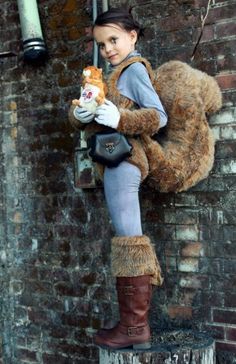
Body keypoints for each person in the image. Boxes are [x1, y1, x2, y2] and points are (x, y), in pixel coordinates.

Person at [68, 7, 168, 350]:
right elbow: (89, 107)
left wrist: (120, 118)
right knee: (127, 237)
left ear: (132, 37)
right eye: (102, 43)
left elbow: (158, 117)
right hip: (111, 162)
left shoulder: (134, 69)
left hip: (124, 161)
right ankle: (131, 325)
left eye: (114, 39)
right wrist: (79, 114)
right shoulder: (107, 74)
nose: (109, 48)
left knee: (129, 238)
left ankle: (135, 328)